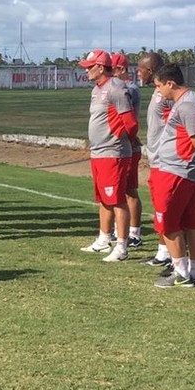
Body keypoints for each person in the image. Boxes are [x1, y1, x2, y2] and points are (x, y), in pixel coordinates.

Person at [151, 64, 195, 288]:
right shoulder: (186, 102)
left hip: (178, 171)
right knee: (191, 221)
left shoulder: (187, 105)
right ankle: (194, 273)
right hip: (182, 170)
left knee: (168, 221)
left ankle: (182, 272)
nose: (158, 92)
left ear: (170, 83)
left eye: (159, 86)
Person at [78, 49, 138, 262]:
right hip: (99, 152)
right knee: (104, 198)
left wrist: (117, 140)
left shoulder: (116, 88)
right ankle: (104, 239)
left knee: (117, 199)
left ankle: (122, 246)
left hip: (113, 153)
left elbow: (130, 122)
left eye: (89, 67)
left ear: (101, 68)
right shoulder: (97, 90)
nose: (86, 71)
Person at [136, 52, 172, 268]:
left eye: (141, 69)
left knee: (166, 208)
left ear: (151, 70)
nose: (138, 73)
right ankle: (163, 252)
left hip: (166, 160)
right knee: (159, 206)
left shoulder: (166, 95)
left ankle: (170, 254)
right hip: (156, 159)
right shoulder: (157, 93)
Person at [112, 53, 144, 248]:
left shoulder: (129, 89)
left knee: (129, 190)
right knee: (122, 190)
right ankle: (124, 230)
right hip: (122, 145)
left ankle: (134, 233)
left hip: (129, 145)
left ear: (121, 69)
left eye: (112, 69)